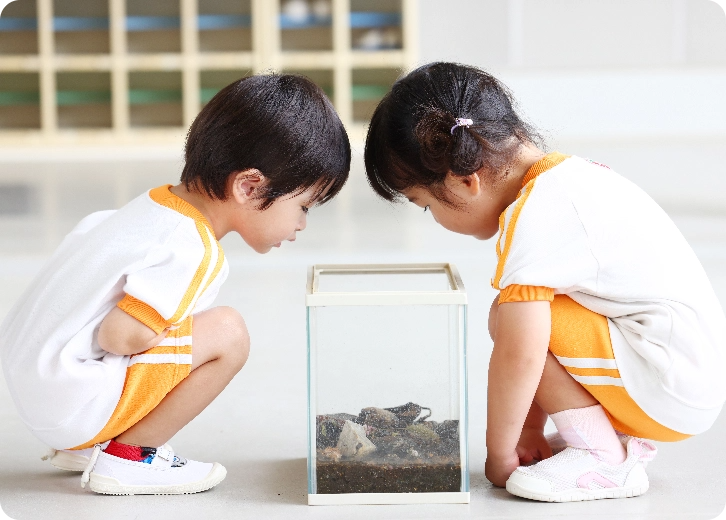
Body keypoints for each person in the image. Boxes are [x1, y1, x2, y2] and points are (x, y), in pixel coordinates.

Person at [363, 62, 726, 502]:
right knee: (520, 314)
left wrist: (499, 453)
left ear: (465, 181)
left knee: (510, 317)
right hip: (684, 378)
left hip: (669, 388)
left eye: (425, 205)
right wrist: (530, 430)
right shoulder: (567, 180)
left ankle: (603, 457)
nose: (433, 218)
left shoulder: (536, 213)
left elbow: (521, 349)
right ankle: (594, 438)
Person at [0, 74, 350, 495]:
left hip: (36, 388)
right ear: (249, 186)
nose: (301, 225)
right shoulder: (193, 247)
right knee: (228, 333)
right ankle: (130, 457)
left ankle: (91, 444)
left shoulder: (148, 207)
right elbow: (119, 336)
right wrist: (170, 329)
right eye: (304, 206)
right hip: (70, 405)